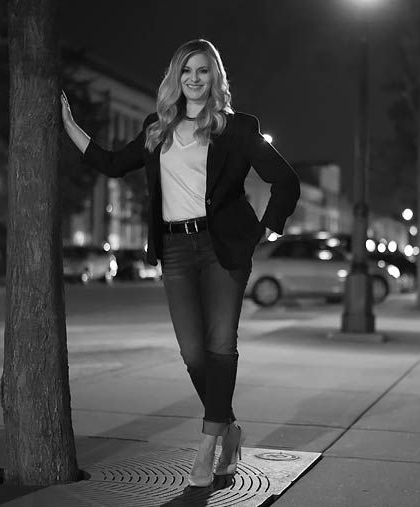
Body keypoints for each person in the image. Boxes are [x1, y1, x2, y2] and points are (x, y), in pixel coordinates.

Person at [61, 39, 300, 487]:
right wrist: (70, 125)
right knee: (193, 352)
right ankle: (229, 430)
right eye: (186, 70)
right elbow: (113, 164)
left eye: (203, 71)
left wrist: (268, 228)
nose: (194, 78)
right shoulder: (158, 128)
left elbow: (285, 179)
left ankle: (208, 447)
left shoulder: (236, 129)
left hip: (222, 247)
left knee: (221, 343)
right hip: (173, 249)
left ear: (215, 79)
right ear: (176, 77)